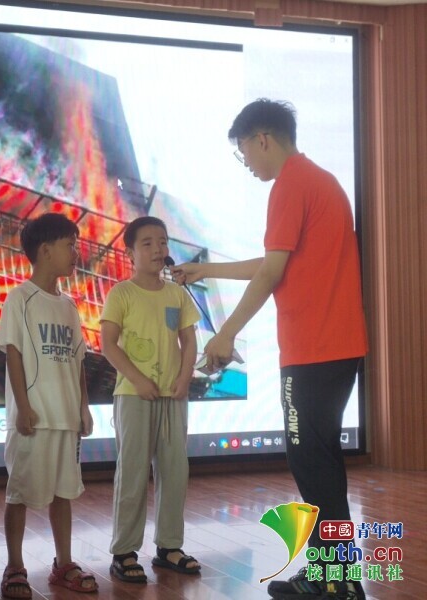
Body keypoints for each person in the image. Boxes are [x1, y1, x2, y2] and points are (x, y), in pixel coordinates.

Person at [173, 99, 368, 600]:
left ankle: (335, 580)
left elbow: (271, 273)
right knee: (322, 464)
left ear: (262, 138)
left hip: (313, 350)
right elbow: (274, 261)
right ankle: (337, 577)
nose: (247, 163)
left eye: (243, 151)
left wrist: (225, 333)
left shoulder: (290, 184)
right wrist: (206, 270)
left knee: (313, 466)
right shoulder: (317, 181)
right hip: (334, 347)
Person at [0, 212, 97, 599]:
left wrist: (83, 407)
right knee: (20, 493)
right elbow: (14, 354)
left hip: (65, 417)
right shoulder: (19, 298)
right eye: (70, 245)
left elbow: (78, 361)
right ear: (45, 250)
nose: (76, 253)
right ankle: (14, 566)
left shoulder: (69, 306)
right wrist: (22, 407)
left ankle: (63, 563)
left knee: (63, 493)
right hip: (34, 418)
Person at [100, 216, 200, 584]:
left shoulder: (177, 294)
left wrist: (185, 377)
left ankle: (169, 546)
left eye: (163, 241)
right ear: (130, 253)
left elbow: (189, 341)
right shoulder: (121, 294)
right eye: (148, 243)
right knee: (133, 472)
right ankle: (124, 552)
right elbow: (108, 344)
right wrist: (138, 380)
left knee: (175, 471)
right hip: (134, 395)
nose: (158, 249)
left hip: (173, 395)